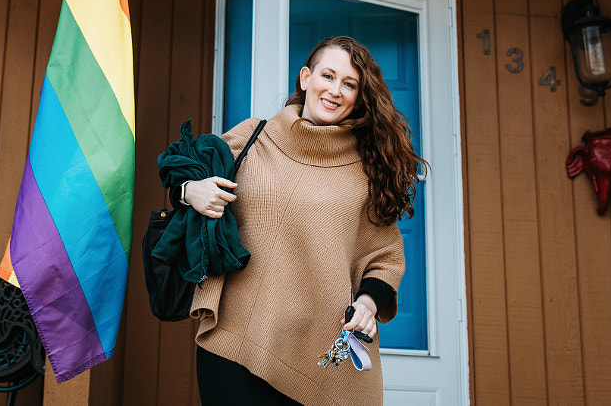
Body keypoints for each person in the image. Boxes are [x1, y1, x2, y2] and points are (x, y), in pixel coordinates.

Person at [176, 35, 426, 405]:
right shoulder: (253, 137)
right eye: (328, 76)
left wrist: (368, 305)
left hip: (315, 353)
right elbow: (185, 177)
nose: (335, 90)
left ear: (359, 97)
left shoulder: (367, 172)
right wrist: (189, 191)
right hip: (231, 340)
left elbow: (385, 257)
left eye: (349, 84)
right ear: (306, 78)